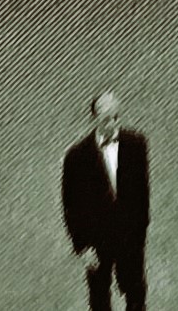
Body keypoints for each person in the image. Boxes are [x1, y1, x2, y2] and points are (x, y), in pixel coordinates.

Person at [60, 90, 149, 311]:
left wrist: (138, 235)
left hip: (130, 240)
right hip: (96, 244)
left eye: (117, 117)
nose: (113, 124)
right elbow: (71, 206)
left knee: (136, 297)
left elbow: (142, 194)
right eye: (107, 118)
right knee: (99, 300)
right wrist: (82, 247)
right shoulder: (77, 157)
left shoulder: (136, 145)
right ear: (95, 118)